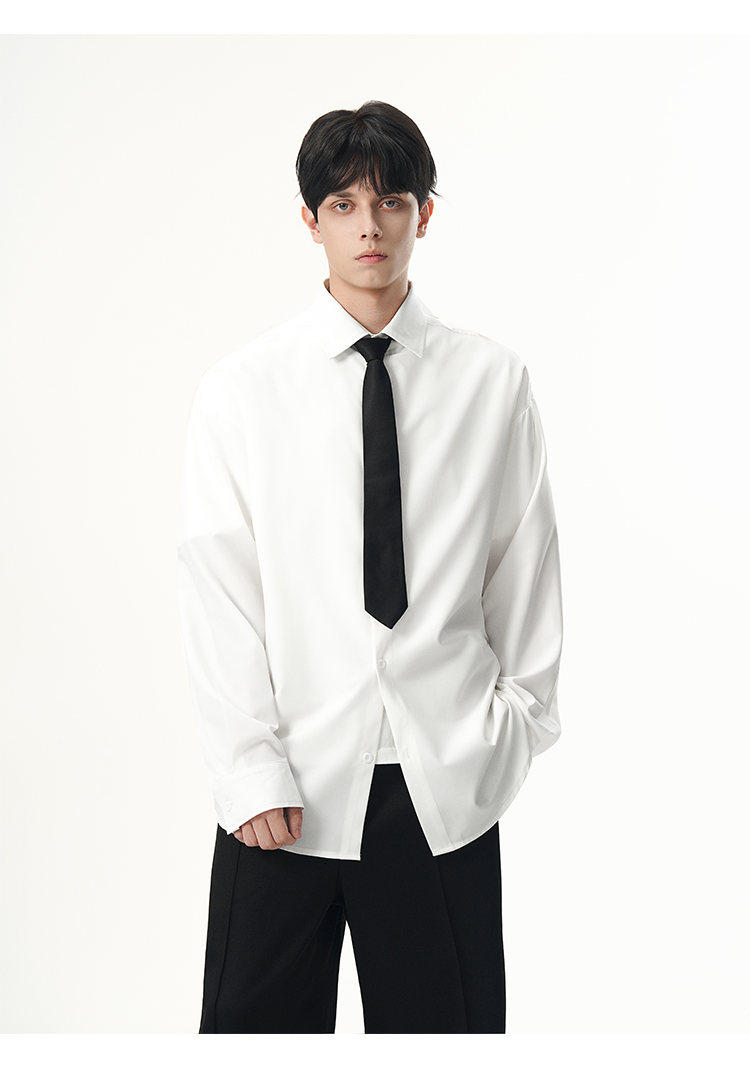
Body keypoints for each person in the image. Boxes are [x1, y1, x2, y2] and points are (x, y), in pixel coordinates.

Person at [176, 100, 563, 1034]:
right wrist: (248, 770)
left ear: (424, 213)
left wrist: (506, 735)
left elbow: (524, 566)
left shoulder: (491, 382)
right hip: (288, 788)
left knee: (446, 1040)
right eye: (343, 205)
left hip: (441, 786)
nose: (369, 227)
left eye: (390, 201)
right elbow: (220, 588)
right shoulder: (244, 390)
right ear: (310, 221)